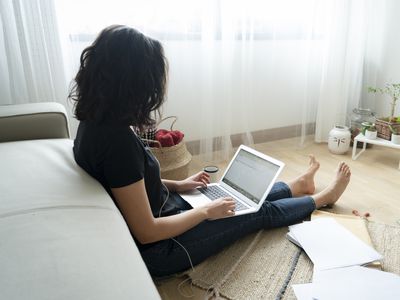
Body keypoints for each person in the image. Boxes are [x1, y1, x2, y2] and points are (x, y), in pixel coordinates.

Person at [71, 25, 351, 277]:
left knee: (235, 197)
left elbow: (127, 182)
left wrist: (179, 185)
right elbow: (146, 232)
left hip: (164, 209)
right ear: (133, 84)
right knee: (255, 212)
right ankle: (323, 197)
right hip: (160, 250)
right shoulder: (117, 142)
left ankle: (295, 186)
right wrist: (205, 213)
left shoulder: (95, 123)